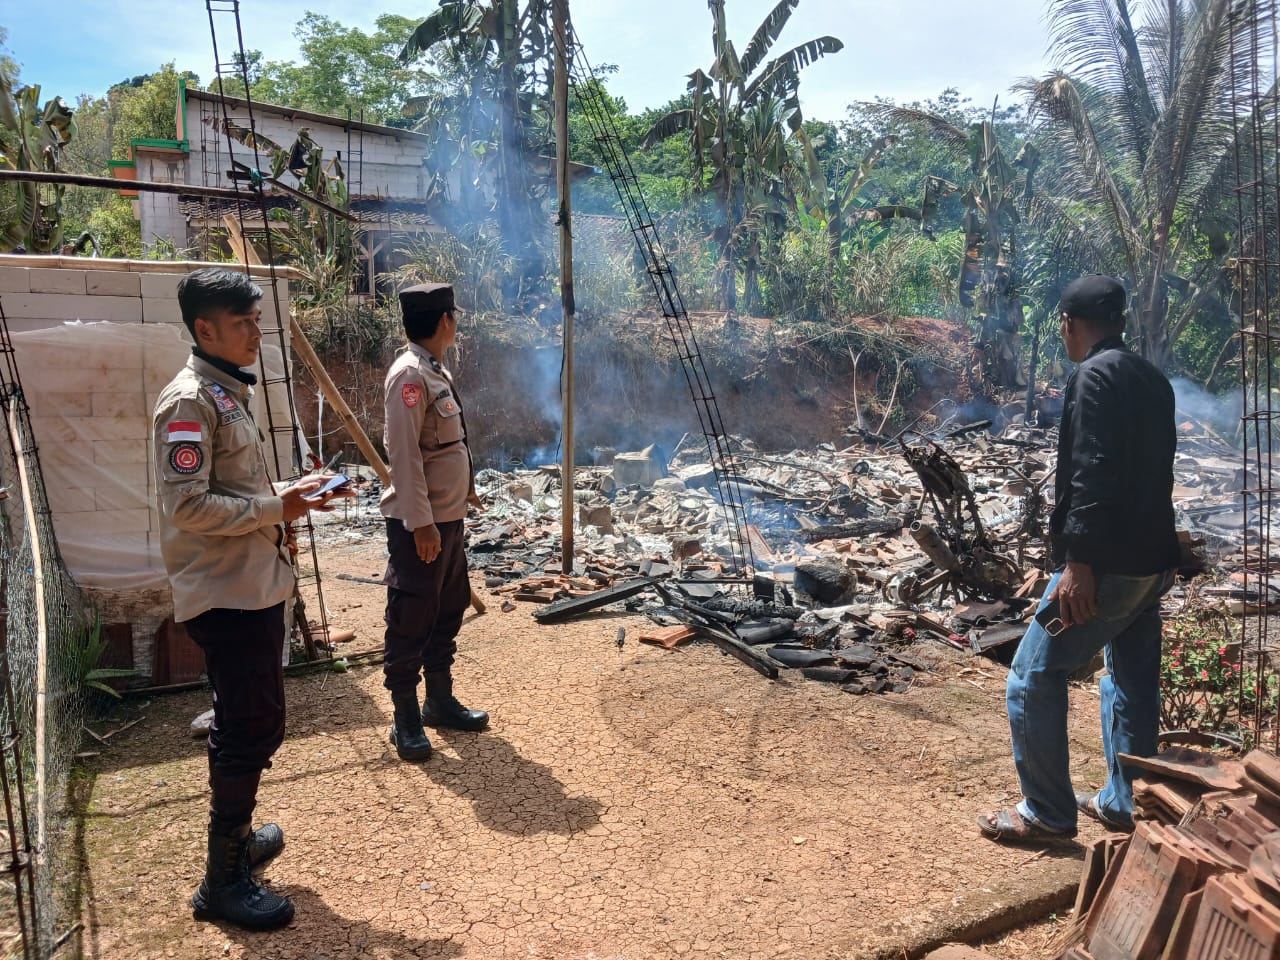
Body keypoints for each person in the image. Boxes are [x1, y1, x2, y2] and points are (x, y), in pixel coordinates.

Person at [153, 268, 351, 929]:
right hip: (226, 591)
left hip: (253, 582)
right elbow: (187, 505)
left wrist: (300, 488)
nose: (254, 332)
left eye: (256, 319)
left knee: (249, 717)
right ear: (204, 328)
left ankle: (235, 848)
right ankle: (221, 882)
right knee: (250, 729)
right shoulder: (188, 402)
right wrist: (280, 503)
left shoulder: (225, 392)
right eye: (241, 323)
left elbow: (237, 488)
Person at [978, 274, 1181, 843]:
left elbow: (1092, 470)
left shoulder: (1092, 377)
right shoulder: (1151, 378)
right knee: (1130, 678)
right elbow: (1155, 471)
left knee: (1033, 674)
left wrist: (1079, 562)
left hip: (1107, 565)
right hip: (1152, 564)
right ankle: (1125, 802)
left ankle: (1046, 812)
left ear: (1068, 324)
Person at [380, 282, 488, 763]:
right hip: (423, 526)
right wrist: (420, 524)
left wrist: (464, 491)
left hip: (448, 519)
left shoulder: (433, 370)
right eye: (455, 316)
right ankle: (406, 721)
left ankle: (439, 702)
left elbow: (444, 446)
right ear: (445, 320)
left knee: (447, 609)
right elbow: (403, 456)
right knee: (411, 618)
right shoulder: (409, 376)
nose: (457, 323)